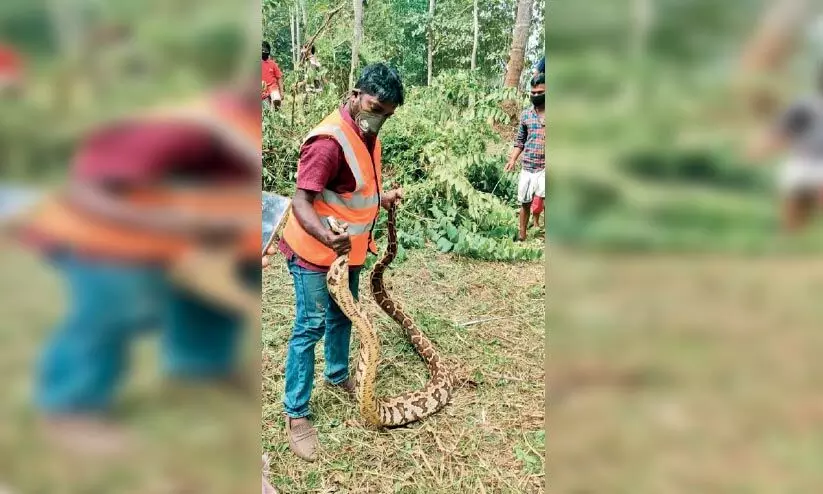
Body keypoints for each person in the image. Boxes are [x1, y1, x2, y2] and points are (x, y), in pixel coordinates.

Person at [21, 85, 262, 453]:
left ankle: (200, 367)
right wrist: (178, 224)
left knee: (215, 293)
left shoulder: (249, 134)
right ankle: (71, 404)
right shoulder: (194, 126)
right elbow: (88, 190)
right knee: (118, 306)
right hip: (102, 238)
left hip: (185, 241)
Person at [277, 63, 405, 462]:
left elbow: (354, 190)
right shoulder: (328, 142)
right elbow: (302, 201)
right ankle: (296, 414)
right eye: (376, 106)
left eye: (388, 112)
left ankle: (337, 374)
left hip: (350, 252)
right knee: (310, 326)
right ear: (355, 95)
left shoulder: (366, 133)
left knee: (344, 316)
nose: (380, 116)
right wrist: (326, 237)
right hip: (315, 253)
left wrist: (381, 200)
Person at [748, 64, 823, 233]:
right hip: (803, 163)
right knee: (793, 216)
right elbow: (782, 131)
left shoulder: (805, 105)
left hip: (811, 167)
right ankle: (789, 239)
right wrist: (761, 148)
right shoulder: (806, 106)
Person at [506, 72, 546, 240]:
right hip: (528, 166)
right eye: (533, 92)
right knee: (525, 201)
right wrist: (513, 159)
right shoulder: (526, 115)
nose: (536, 95)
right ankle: (522, 234)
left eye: (540, 92)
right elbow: (520, 141)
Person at [262, 41, 283, 111]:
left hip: (273, 88)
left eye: (265, 50)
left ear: (268, 51)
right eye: (262, 50)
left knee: (277, 100)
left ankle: (277, 114)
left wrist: (282, 92)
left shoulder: (273, 64)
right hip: (262, 91)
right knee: (266, 111)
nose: (263, 51)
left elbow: (279, 78)